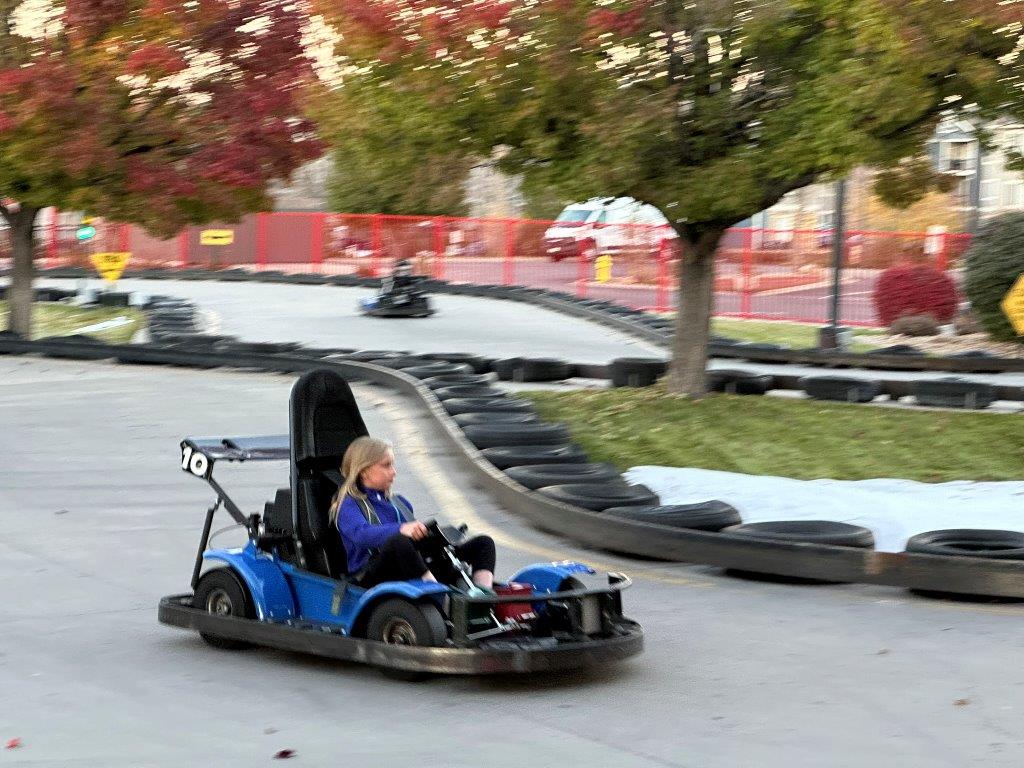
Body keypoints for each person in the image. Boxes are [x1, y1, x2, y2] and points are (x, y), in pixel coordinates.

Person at [329, 436, 496, 590]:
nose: (393, 471)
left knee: (483, 543)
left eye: (393, 465)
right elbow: (361, 535)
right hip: (368, 575)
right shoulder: (348, 504)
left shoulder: (400, 503)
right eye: (386, 465)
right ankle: (438, 595)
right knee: (398, 542)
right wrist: (402, 529)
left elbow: (413, 545)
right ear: (363, 470)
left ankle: (483, 597)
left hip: (406, 567)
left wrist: (433, 537)